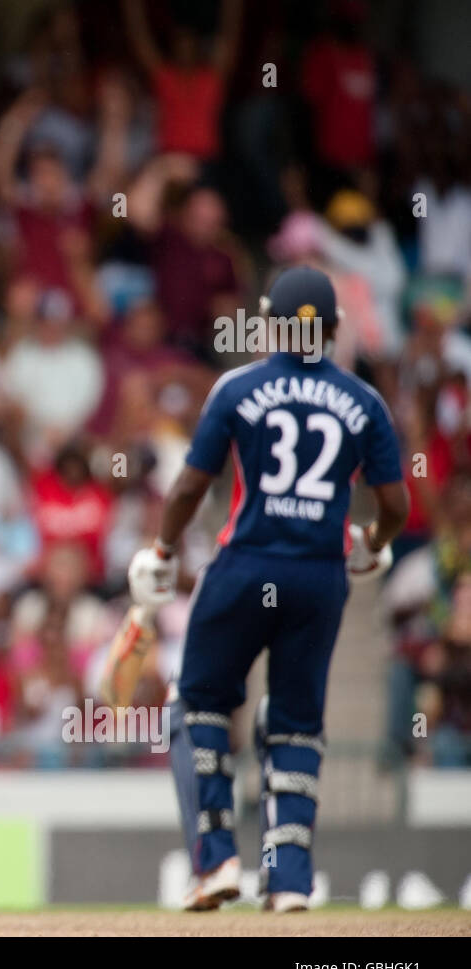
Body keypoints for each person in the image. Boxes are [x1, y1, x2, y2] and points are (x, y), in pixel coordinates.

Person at [126, 266, 409, 912]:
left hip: (245, 566)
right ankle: (288, 880)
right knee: (297, 725)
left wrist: (165, 552)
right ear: (334, 330)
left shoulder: (238, 387)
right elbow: (395, 501)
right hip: (320, 576)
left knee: (197, 702)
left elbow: (191, 487)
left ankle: (216, 858)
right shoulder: (364, 402)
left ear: (268, 324)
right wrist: (370, 542)